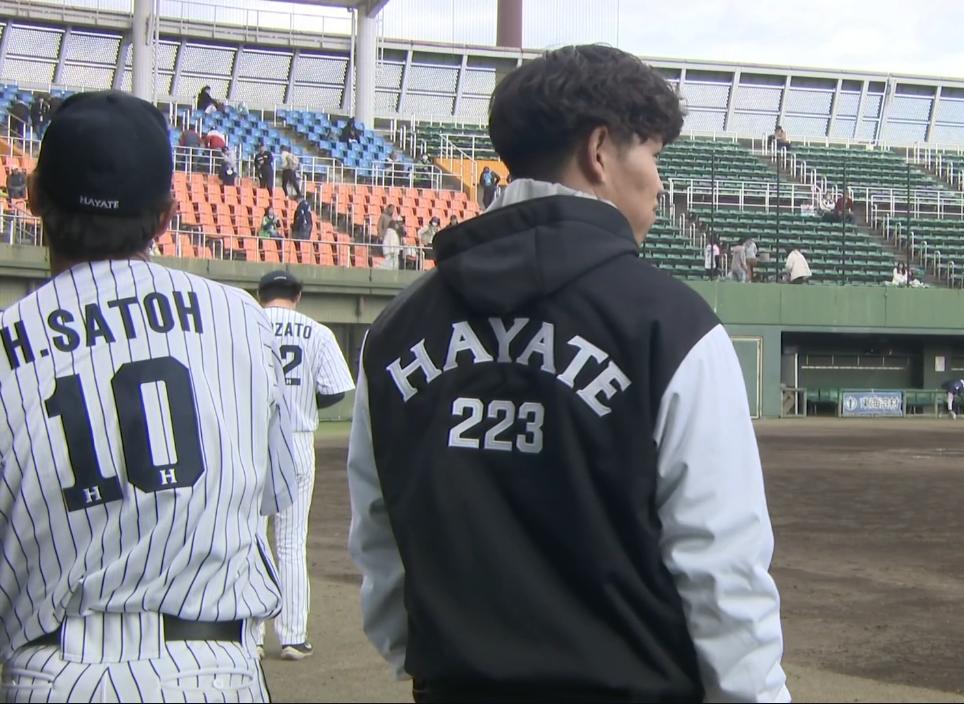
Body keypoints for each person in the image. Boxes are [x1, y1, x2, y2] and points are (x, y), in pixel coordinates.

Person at [347, 44, 788, 703]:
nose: (659, 185)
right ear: (600, 150)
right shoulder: (673, 325)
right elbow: (723, 569)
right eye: (653, 156)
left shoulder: (396, 329)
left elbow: (381, 542)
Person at [0, 89, 297, 701]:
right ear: (166, 216)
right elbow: (281, 490)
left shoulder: (6, 343)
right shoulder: (241, 319)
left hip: (52, 676)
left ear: (32, 196)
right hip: (213, 674)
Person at [254, 271, 355, 661]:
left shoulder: (245, 321)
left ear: (260, 295)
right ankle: (293, 637)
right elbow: (336, 390)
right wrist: (304, 399)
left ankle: (252, 635)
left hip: (252, 440)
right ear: (297, 296)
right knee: (291, 542)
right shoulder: (317, 331)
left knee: (252, 538)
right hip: (297, 440)